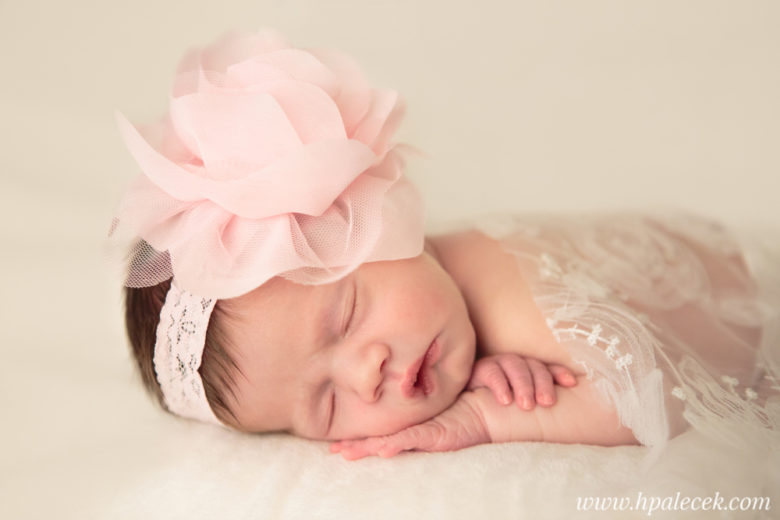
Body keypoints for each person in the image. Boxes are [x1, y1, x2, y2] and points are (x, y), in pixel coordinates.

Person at [116, 30, 780, 461]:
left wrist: (490, 419)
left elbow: (654, 394)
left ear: (369, 222)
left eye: (344, 318)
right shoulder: (436, 273)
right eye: (325, 404)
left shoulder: (516, 304)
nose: (363, 374)